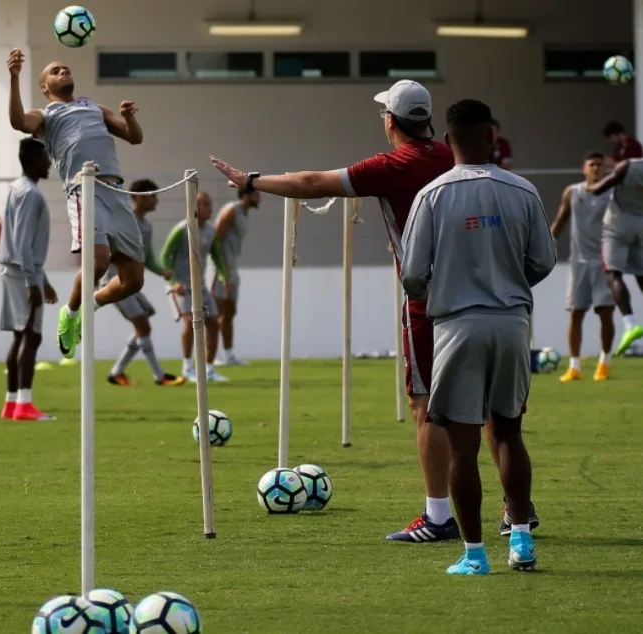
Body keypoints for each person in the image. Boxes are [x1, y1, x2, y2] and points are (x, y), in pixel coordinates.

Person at [211, 79, 467, 542]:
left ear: (390, 121)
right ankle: (517, 511)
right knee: (491, 405)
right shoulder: (455, 157)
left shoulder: (393, 164)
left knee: (427, 405)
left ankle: (438, 516)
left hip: (428, 302)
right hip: (485, 296)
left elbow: (310, 183)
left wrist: (250, 180)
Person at [400, 98, 557, 575]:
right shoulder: (523, 190)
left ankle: (474, 555)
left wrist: (451, 284)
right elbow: (544, 261)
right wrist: (506, 284)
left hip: (456, 325)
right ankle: (523, 542)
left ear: (447, 141)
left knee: (463, 445)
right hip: (512, 322)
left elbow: (411, 275)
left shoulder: (432, 195)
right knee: (509, 432)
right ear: (493, 136)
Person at [6, 49, 146, 360]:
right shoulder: (46, 116)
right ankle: (69, 315)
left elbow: (134, 138)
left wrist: (129, 117)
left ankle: (90, 304)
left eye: (65, 68)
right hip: (85, 188)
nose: (63, 72)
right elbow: (18, 122)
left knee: (134, 281)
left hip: (117, 191)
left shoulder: (94, 107)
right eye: (55, 71)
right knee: (96, 262)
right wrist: (15, 78)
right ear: (45, 87)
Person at [0, 138, 59, 421]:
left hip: (13, 270)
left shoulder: (15, 188)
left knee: (21, 335)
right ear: (34, 160)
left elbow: (19, 240)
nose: (49, 163)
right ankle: (25, 404)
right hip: (23, 274)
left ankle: (11, 403)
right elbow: (23, 242)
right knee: (32, 336)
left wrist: (42, 280)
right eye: (45, 158)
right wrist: (32, 283)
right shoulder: (31, 194)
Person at [106, 179, 185, 387]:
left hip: (131, 282)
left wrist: (163, 272)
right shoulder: (124, 219)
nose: (156, 200)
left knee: (145, 320)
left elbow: (147, 258)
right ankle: (159, 376)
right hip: (116, 280)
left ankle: (117, 372)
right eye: (152, 196)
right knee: (143, 323)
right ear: (139, 198)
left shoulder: (146, 226)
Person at [551, 152, 614, 381]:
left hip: (606, 262)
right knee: (576, 313)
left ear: (606, 170)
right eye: (592, 164)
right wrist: (543, 245)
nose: (596, 168)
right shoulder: (572, 192)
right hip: (579, 263)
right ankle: (574, 367)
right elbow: (560, 222)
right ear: (584, 169)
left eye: (600, 165)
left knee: (605, 312)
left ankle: (604, 363)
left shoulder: (613, 194)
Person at [161, 191, 229, 383]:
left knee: (213, 323)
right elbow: (165, 256)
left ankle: (208, 369)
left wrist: (223, 275)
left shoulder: (211, 231)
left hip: (201, 289)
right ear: (194, 207)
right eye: (205, 204)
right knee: (191, 322)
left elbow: (216, 254)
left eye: (210, 204)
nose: (210, 208)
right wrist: (173, 282)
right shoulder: (181, 230)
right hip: (182, 288)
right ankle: (187, 368)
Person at [588, 158, 643, 354]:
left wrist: (591, 185)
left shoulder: (629, 166)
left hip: (618, 225)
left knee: (613, 273)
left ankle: (630, 324)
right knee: (641, 274)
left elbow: (598, 189)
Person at [211, 189, 260, 367]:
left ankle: (229, 355)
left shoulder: (245, 214)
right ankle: (211, 355)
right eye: (256, 194)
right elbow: (215, 239)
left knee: (230, 313)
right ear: (246, 195)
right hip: (220, 267)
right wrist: (222, 268)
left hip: (232, 266)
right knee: (215, 312)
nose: (259, 197)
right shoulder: (231, 210)